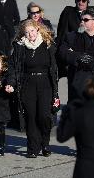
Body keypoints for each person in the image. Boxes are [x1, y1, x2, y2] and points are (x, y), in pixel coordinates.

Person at [9, 19, 59, 158]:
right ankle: (32, 148)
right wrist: (11, 83)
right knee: (30, 117)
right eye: (27, 32)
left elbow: (55, 66)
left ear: (37, 30)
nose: (30, 34)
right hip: (27, 84)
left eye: (32, 30)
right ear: (23, 34)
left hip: (45, 84)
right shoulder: (20, 47)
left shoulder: (48, 45)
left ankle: (45, 143)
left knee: (44, 116)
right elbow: (13, 67)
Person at [56, 0, 94, 79]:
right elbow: (62, 35)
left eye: (84, 0)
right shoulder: (69, 12)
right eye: (78, 0)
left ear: (88, 1)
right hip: (76, 61)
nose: (81, 2)